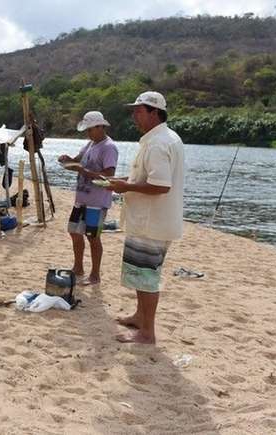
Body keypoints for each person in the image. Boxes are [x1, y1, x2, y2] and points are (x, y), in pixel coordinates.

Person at [107, 91, 185, 345]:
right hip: (153, 220)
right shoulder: (164, 138)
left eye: (139, 111)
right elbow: (152, 179)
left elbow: (161, 185)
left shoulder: (158, 143)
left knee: (147, 278)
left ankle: (147, 332)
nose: (134, 116)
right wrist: (124, 182)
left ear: (155, 113)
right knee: (141, 274)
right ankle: (140, 317)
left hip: (152, 222)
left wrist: (126, 187)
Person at [57, 111, 118, 287]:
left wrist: (84, 171)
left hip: (97, 202)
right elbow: (78, 161)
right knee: (74, 232)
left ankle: (95, 274)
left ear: (100, 127)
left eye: (90, 129)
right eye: (87, 130)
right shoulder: (90, 144)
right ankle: (78, 267)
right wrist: (68, 160)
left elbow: (109, 174)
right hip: (82, 199)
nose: (88, 133)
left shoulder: (109, 147)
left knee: (92, 237)